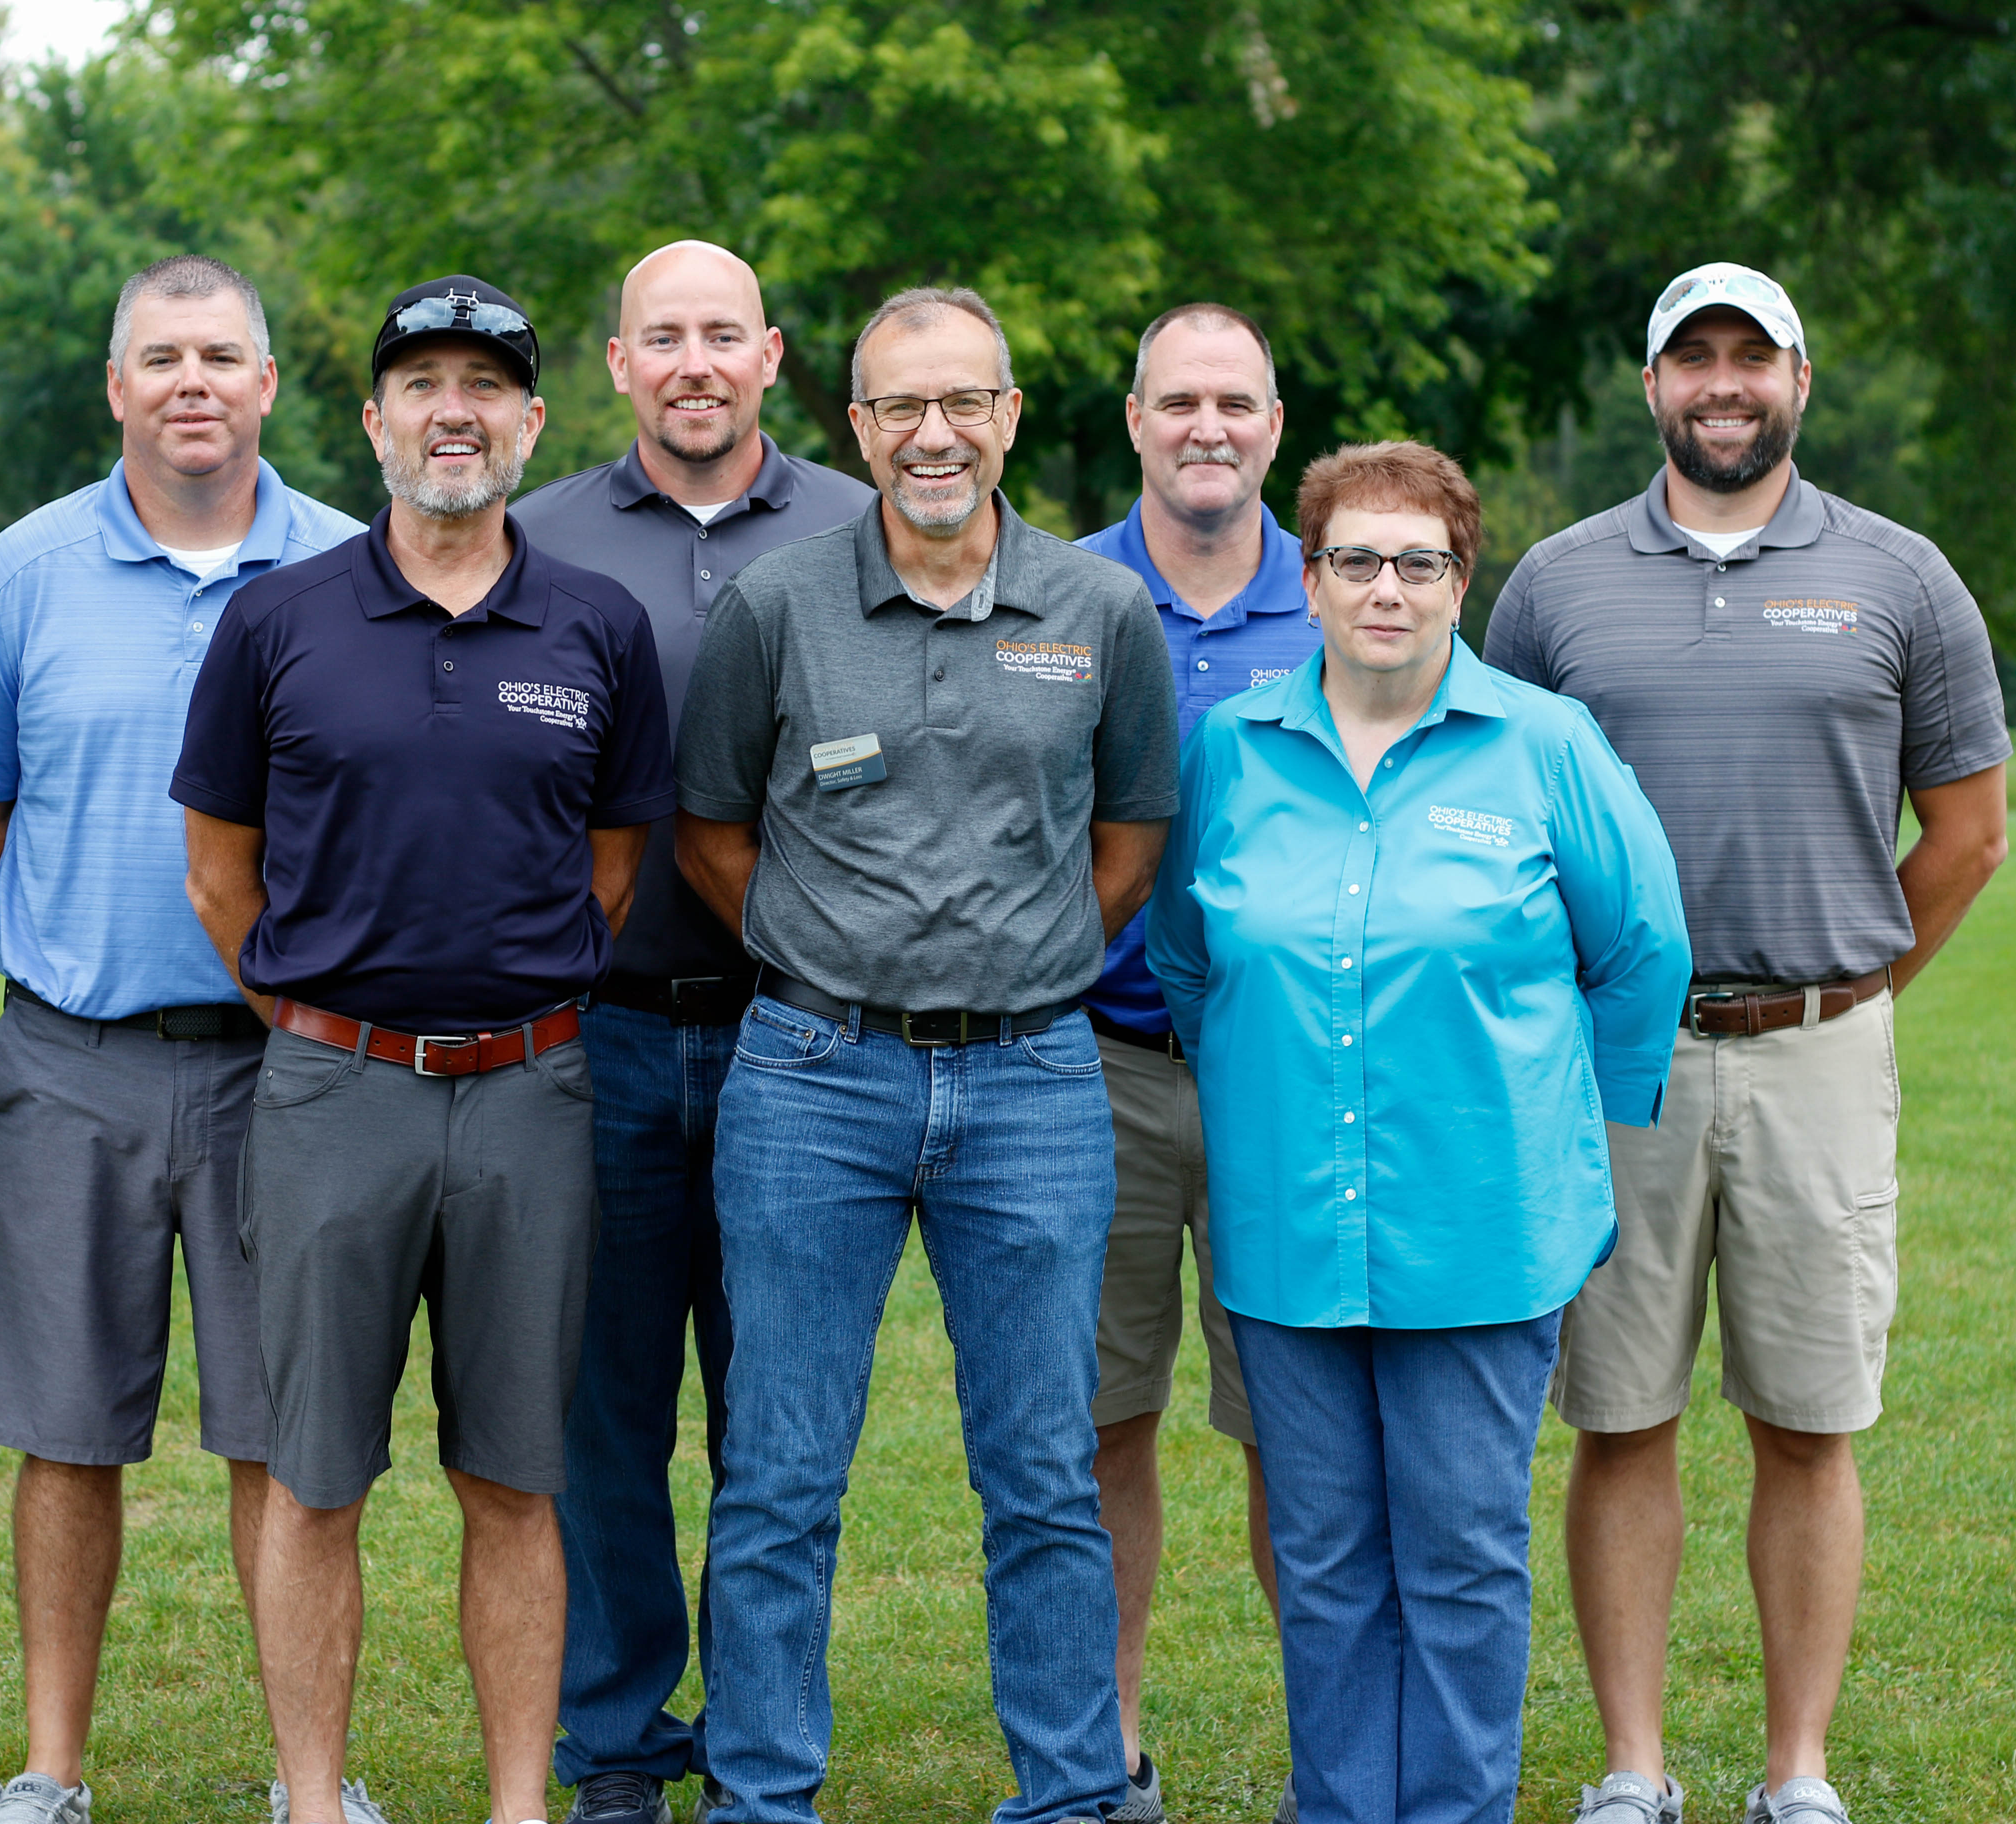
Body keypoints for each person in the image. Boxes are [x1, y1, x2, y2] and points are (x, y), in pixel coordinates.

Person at [1486, 262, 2011, 1824]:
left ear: (1800, 380)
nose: (1725, 384)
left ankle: (1798, 1775)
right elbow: (1501, 816)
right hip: (1613, 1061)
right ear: (1651, 387)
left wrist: (1844, 988)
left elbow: (1970, 834)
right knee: (1618, 1412)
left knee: (1809, 1417)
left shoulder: (1900, 575)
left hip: (1820, 1057)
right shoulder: (1558, 584)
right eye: (1692, 359)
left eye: (1753, 359)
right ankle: (1634, 1770)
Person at [171, 275, 678, 1824]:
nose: (453, 410)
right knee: (316, 1473)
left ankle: (519, 1804)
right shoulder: (279, 621)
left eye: (487, 386)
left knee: (517, 1479)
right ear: (375, 417)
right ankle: (312, 1803)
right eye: (422, 384)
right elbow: (219, 870)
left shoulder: (599, 626)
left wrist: (504, 1013)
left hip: (533, 1090)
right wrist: (329, 1026)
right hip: (333, 1091)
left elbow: (612, 866)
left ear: (532, 420)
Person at [676, 286, 1179, 1824]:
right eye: (902, 407)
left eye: (965, 402)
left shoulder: (1101, 613)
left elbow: (1132, 839)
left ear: (1012, 416)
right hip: (812, 1082)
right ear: (860, 426)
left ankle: (1073, 1793)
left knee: (1043, 1474)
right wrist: (836, 955)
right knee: (780, 1475)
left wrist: (1012, 970)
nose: (935, 434)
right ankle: (761, 1798)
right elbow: (708, 831)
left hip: (1034, 1084)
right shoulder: (776, 605)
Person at [1146, 440, 1690, 1824]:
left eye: (1419, 562)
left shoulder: (1544, 745)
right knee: (1323, 1560)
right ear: (1310, 578)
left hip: (1484, 1225)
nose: (1385, 588)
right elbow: (1194, 959)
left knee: (1459, 1561)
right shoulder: (1233, 747)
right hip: (1287, 1227)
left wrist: (1567, 1128)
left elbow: (1640, 952)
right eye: (1354, 560)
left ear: (1463, 579)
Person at [0, 255, 366, 1824]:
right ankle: (51, 1772)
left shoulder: (353, 568)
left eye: (222, 355)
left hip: (294, 1067)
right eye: (161, 355)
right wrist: (74, 944)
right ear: (117, 387)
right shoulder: (20, 574)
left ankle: (313, 1784)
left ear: (265, 385)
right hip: (73, 1058)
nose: (193, 380)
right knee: (64, 1428)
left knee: (288, 1435)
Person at [507, 240, 873, 1824]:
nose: (697, 363)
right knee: (605, 1409)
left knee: (777, 1417)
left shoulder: (869, 531)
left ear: (774, 356)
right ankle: (614, 1738)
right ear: (619, 363)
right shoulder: (536, 541)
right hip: (598, 1036)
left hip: (808, 1044)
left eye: (725, 334)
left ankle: (761, 1731)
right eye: (667, 337)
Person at [1070, 302, 1318, 1824]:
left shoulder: (1352, 588)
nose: (1207, 426)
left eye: (1236, 401)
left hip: (1293, 1077)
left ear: (1274, 426)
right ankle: (1104, 1757)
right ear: (1136, 420)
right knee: (1096, 1426)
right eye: (1180, 402)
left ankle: (1338, 1760)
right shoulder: (1055, 591)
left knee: (1303, 1432)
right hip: (1093, 1066)